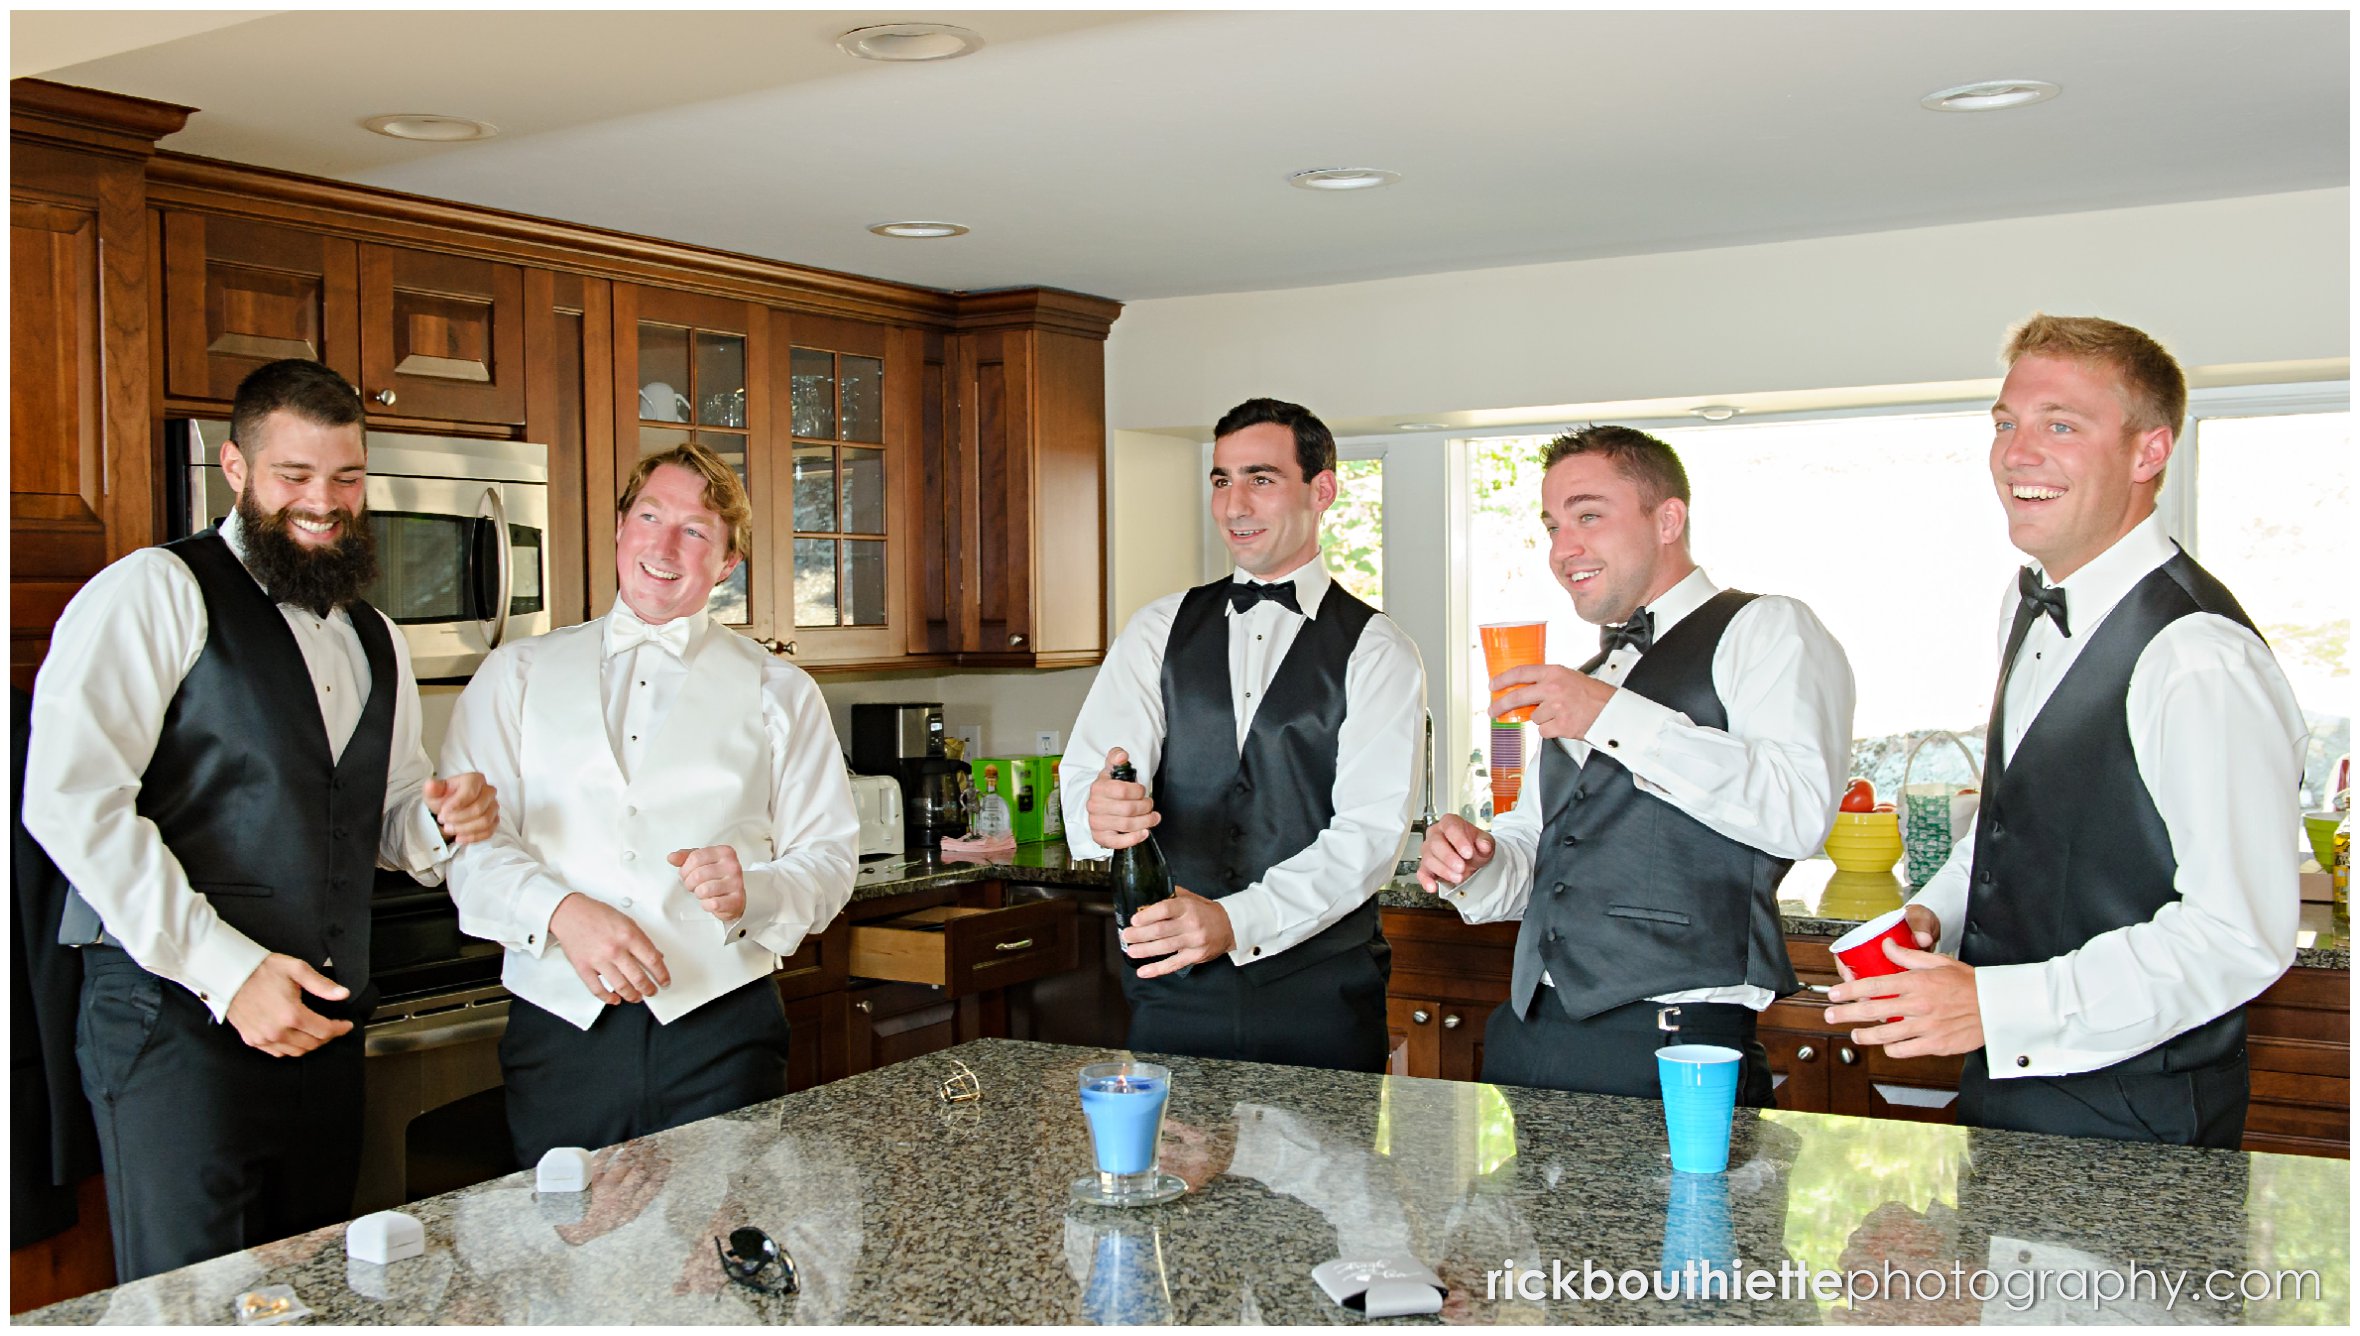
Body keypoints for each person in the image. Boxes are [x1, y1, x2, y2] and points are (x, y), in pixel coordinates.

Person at [22, 358, 498, 1280]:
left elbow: (387, 810)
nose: (325, 502)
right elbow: (72, 801)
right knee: (197, 1302)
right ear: (236, 472)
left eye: (347, 477)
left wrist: (441, 819)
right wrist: (228, 972)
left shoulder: (376, 635)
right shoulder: (152, 593)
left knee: (314, 1287)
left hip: (325, 1030)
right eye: (295, 476)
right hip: (176, 1030)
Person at [1826, 314, 2303, 1148]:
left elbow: (2239, 936)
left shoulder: (2197, 656)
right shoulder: (2027, 603)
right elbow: (2015, 815)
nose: (2016, 453)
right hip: (2008, 1093)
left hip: (2139, 1121)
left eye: (2061, 426)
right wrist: (1934, 914)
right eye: (2006, 423)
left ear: (2148, 453)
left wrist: (1992, 1005)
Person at [442, 441, 857, 1167]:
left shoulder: (780, 691)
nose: (665, 545)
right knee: (568, 1257)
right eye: (650, 516)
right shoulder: (515, 675)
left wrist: (753, 890)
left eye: (695, 530)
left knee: (721, 1257)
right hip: (560, 1031)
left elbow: (829, 859)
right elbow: (470, 847)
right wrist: (560, 911)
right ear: (619, 531)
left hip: (722, 1030)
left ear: (727, 563)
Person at [1417, 425, 1855, 1104]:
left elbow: (1796, 814)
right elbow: (1539, 851)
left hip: (1677, 1050)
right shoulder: (1591, 676)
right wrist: (1478, 866)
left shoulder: (1768, 628)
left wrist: (1608, 715)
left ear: (1669, 519)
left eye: (1589, 516)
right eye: (1552, 525)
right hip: (1530, 1039)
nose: (1564, 549)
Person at [1061, 397, 1425, 1073]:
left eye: (1260, 479)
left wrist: (1237, 921)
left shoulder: (1378, 650)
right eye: (1222, 480)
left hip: (1318, 993)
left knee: (1324, 1180)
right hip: (1171, 987)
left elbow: (1369, 839)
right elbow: (1095, 773)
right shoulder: (1157, 628)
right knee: (1171, 1175)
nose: (1234, 507)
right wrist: (1099, 809)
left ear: (1323, 490)